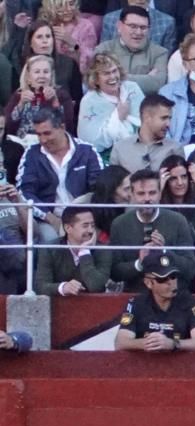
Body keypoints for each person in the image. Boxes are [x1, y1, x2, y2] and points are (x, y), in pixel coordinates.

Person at [17, 107, 102, 241]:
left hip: (85, 216)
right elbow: (24, 192)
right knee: (49, 241)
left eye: (47, 133)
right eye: (38, 134)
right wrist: (49, 217)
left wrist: (85, 217)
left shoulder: (87, 151)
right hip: (49, 219)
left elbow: (99, 188)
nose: (43, 140)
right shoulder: (31, 154)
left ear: (62, 127)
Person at [108, 166, 195, 290]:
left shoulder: (178, 221)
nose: (147, 199)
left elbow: (190, 269)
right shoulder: (119, 224)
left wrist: (165, 252)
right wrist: (139, 263)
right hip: (135, 295)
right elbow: (115, 272)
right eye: (141, 193)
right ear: (132, 195)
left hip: (173, 294)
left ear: (160, 194)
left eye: (152, 193)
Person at [114, 251, 195, 352]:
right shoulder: (136, 304)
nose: (170, 282)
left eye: (173, 276)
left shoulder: (191, 303)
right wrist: (149, 343)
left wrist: (173, 344)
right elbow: (120, 342)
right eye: (162, 279)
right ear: (148, 283)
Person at [33, 204, 111, 295]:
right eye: (85, 226)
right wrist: (63, 287)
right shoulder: (50, 249)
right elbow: (40, 286)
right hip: (59, 307)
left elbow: (96, 286)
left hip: (93, 306)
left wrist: (84, 252)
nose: (90, 230)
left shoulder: (103, 250)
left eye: (93, 225)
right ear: (68, 228)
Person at [79, 53, 144, 161]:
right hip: (107, 157)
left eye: (114, 71)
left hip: (142, 149)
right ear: (96, 79)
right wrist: (117, 118)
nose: (113, 77)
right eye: (106, 73)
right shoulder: (89, 101)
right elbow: (90, 143)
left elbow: (148, 120)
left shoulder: (132, 88)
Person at [93, 5, 169, 96]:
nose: (138, 32)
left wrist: (113, 78)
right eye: (133, 26)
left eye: (143, 27)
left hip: (144, 107)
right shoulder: (103, 50)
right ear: (119, 26)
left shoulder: (160, 53)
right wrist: (147, 78)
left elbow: (157, 84)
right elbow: (95, 80)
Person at [110, 92, 183, 172]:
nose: (168, 124)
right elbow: (113, 183)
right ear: (147, 117)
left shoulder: (175, 149)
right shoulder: (120, 149)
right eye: (163, 118)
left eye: (170, 119)